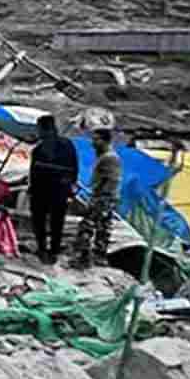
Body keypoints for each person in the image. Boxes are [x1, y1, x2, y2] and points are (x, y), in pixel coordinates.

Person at [28, 115, 78, 265]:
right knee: (52, 222)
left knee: (45, 221)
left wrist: (68, 185)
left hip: (52, 191)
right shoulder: (42, 148)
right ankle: (48, 250)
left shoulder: (42, 149)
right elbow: (74, 170)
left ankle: (47, 250)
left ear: (45, 129)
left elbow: (73, 169)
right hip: (50, 191)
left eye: (40, 129)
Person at [72, 127, 122, 270]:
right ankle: (99, 257)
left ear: (104, 140)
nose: (92, 143)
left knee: (86, 227)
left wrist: (98, 199)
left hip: (103, 198)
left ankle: (83, 259)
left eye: (96, 139)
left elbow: (111, 180)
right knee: (103, 228)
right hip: (106, 198)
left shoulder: (110, 158)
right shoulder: (106, 156)